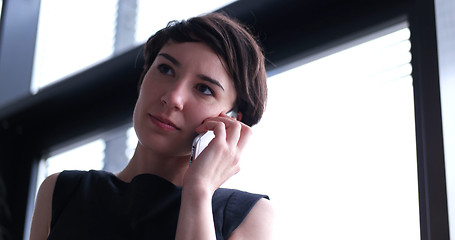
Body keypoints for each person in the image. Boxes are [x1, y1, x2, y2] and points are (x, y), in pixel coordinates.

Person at [30, 12, 273, 240]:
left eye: (204, 89)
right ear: (143, 77)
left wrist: (198, 191)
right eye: (166, 69)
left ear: (232, 122)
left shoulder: (248, 216)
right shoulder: (62, 191)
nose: (173, 98)